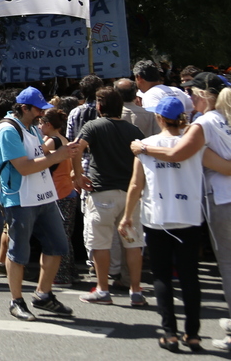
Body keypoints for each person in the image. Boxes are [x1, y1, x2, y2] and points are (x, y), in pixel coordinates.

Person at [133, 73, 231, 353]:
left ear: (201, 95)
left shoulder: (203, 123)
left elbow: (177, 154)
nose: (189, 98)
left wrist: (143, 147)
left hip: (227, 200)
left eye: (191, 92)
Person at [121, 95, 206, 351]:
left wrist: (127, 216)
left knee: (162, 276)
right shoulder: (193, 142)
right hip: (189, 216)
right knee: (190, 277)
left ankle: (169, 332)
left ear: (159, 118)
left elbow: (136, 184)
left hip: (157, 218)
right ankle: (193, 335)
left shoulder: (145, 145)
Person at [0, 87, 76, 322]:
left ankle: (43, 294)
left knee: (58, 245)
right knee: (19, 252)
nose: (41, 113)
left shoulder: (30, 128)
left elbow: (39, 157)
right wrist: (58, 156)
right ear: (24, 108)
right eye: (38, 109)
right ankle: (16, 300)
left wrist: (62, 150)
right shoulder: (8, 129)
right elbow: (24, 167)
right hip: (19, 198)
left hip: (42, 195)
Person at [72, 87, 147, 307]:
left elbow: (76, 149)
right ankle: (135, 290)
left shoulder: (93, 126)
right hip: (129, 194)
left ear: (100, 106)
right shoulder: (133, 130)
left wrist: (77, 174)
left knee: (100, 243)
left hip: (102, 192)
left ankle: (103, 289)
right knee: (132, 243)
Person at [39, 107, 79, 287]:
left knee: (58, 237)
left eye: (40, 123)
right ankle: (69, 272)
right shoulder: (64, 139)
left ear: (48, 124)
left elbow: (37, 156)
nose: (39, 127)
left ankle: (61, 276)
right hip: (67, 191)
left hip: (58, 192)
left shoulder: (51, 142)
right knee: (66, 236)